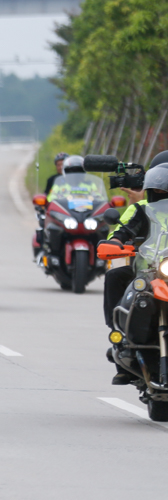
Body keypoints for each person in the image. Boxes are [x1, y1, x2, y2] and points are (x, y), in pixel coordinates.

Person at [102, 164, 168, 384]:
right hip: (149, 269)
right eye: (158, 190)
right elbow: (124, 230)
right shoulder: (143, 211)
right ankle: (119, 336)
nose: (162, 194)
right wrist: (115, 242)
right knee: (116, 276)